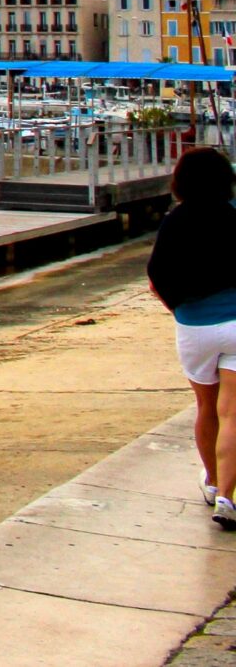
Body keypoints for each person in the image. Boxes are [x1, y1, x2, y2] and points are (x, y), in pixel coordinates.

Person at [148, 145, 236, 525]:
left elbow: (156, 276)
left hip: (193, 328)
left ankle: (213, 482)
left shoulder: (174, 221)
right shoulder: (234, 218)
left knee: (206, 408)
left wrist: (179, 309)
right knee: (232, 412)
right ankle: (228, 500)